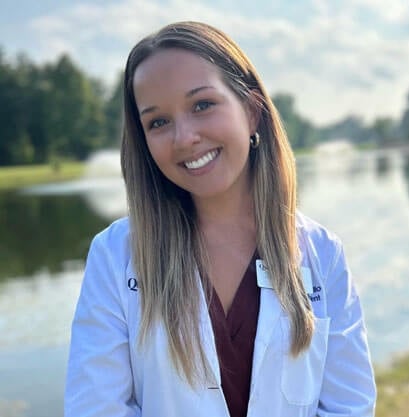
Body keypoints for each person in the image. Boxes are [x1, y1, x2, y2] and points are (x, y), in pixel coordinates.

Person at [65, 21, 376, 417]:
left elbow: (349, 407)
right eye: (157, 122)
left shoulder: (323, 254)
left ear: (251, 112)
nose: (184, 137)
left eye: (202, 105)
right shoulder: (114, 257)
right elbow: (96, 408)